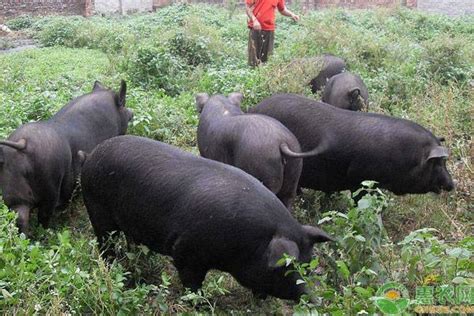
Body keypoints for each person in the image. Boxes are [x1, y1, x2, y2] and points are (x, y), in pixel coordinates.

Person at [246, 0, 299, 67]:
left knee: (267, 60)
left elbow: (282, 9)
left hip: (269, 29)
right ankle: (253, 74)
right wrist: (254, 20)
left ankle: (264, 76)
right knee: (253, 61)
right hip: (255, 29)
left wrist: (292, 14)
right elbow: (248, 9)